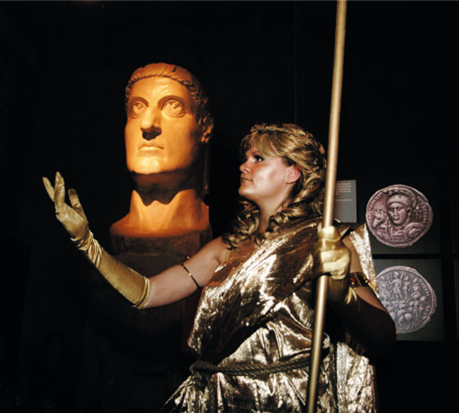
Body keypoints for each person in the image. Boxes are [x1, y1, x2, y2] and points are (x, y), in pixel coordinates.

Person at [44, 122, 396, 412]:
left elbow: (383, 336)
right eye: (246, 158)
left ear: (293, 172)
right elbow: (147, 293)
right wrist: (88, 244)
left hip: (284, 400)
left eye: (258, 158)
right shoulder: (225, 248)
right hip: (217, 399)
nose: (243, 166)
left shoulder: (324, 243)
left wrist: (343, 295)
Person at [110, 62, 214, 239]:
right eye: (137, 107)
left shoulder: (222, 228)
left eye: (173, 106)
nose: (147, 124)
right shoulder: (116, 229)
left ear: (205, 127)